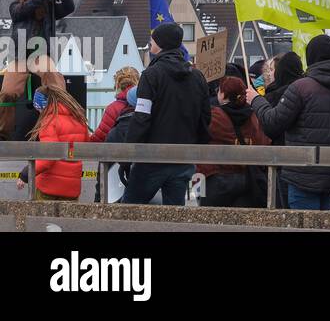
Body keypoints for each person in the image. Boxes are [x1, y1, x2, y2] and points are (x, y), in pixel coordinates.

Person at [248, 34, 330, 211]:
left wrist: (256, 100)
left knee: (302, 225)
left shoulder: (301, 88)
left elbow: (273, 124)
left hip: (302, 175)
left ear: (311, 57)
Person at [124, 22, 211, 205]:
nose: (150, 43)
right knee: (174, 218)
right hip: (184, 157)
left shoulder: (151, 75)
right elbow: (205, 118)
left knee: (128, 212)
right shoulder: (198, 77)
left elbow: (141, 117)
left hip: (151, 158)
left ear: (160, 44)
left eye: (152, 40)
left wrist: (127, 153)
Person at [197, 75, 270, 208]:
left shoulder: (213, 116)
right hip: (247, 179)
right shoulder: (254, 117)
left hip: (214, 178)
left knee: (208, 221)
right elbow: (263, 142)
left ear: (223, 95)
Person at [27, 84, 89, 200]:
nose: (39, 113)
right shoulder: (79, 119)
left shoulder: (49, 121)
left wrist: (26, 173)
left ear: (42, 106)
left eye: (38, 109)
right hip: (72, 188)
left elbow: (49, 156)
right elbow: (85, 147)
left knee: (42, 218)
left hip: (48, 186)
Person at [9, 0, 75, 63]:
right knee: (12, 77)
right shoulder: (14, 7)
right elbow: (27, 7)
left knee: (51, 74)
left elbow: (68, 8)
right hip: (20, 57)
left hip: (42, 55)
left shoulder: (46, 6)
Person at [89, 67, 139, 143]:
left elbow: (100, 136)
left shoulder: (113, 108)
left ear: (117, 85)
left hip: (118, 152)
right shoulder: (145, 105)